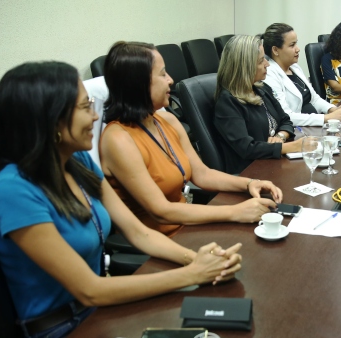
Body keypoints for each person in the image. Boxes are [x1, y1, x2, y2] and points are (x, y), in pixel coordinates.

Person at [0, 62, 243, 338]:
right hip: (60, 333)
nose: (95, 116)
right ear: (52, 119)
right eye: (85, 107)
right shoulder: (12, 191)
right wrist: (193, 274)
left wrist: (197, 260)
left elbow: (139, 233)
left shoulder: (77, 161)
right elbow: (90, 290)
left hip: (100, 313)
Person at [100, 41, 283, 237]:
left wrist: (249, 183)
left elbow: (202, 174)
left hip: (188, 226)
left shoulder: (168, 120)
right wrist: (235, 212)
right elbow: (161, 211)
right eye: (163, 74)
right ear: (139, 83)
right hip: (159, 240)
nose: (170, 80)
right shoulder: (118, 139)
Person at [214, 35, 303, 174]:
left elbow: (286, 120)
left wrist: (280, 137)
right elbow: (247, 148)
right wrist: (293, 147)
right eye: (261, 60)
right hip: (251, 172)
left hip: (272, 162)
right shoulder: (228, 102)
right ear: (245, 66)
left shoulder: (261, 89)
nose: (267, 64)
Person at [261, 23, 341, 126]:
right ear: (275, 50)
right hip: (297, 130)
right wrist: (326, 118)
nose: (298, 49)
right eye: (292, 45)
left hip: (313, 126)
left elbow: (314, 99)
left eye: (296, 44)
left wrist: (334, 110)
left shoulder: (295, 67)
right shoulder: (269, 75)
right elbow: (285, 116)